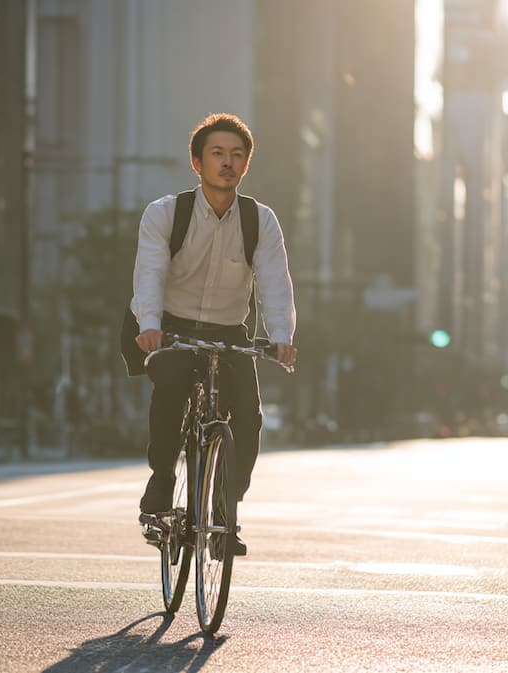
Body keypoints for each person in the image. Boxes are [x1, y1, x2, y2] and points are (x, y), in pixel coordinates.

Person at [132, 113, 297, 556]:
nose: (227, 162)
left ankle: (225, 514)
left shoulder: (259, 220)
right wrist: (149, 326)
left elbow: (274, 282)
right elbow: (149, 272)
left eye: (237, 155)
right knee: (169, 393)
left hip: (230, 332)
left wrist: (280, 336)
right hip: (172, 329)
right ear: (197, 162)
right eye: (218, 154)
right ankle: (163, 480)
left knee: (248, 419)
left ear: (246, 166)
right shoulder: (166, 214)